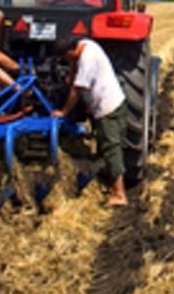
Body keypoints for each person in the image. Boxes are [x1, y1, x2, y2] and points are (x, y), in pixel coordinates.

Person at [52, 37, 129, 206]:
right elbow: (74, 67)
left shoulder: (87, 60)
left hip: (107, 109)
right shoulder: (86, 44)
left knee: (111, 148)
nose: (67, 62)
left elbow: (77, 91)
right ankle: (113, 186)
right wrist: (71, 71)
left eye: (67, 58)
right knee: (106, 147)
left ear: (72, 52)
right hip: (113, 104)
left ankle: (119, 195)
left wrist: (63, 112)